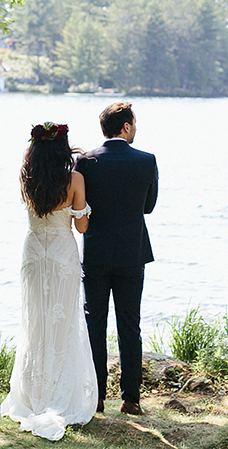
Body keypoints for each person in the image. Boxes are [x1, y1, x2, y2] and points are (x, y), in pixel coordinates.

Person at [0, 122, 99, 440]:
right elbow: (81, 227)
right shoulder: (74, 179)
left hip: (33, 253)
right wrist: (78, 211)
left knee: (36, 322)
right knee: (63, 323)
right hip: (61, 254)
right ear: (63, 149)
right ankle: (60, 394)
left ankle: (33, 394)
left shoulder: (26, 177)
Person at [76, 102, 159, 416]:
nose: (135, 129)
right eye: (133, 124)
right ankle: (131, 399)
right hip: (131, 253)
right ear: (125, 126)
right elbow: (148, 207)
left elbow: (80, 203)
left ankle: (96, 398)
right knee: (130, 326)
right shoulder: (147, 161)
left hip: (95, 254)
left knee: (94, 325)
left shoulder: (86, 162)